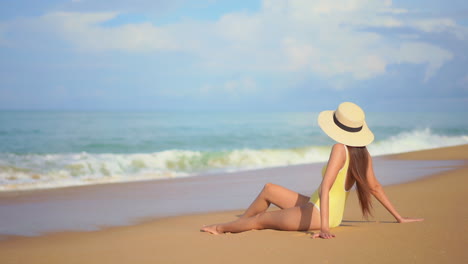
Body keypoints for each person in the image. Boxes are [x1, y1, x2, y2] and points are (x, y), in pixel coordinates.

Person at [200, 102, 424, 239]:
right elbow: (375, 187)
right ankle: (240, 225)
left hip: (319, 215)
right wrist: (399, 218)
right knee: (269, 189)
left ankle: (221, 228)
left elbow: (326, 188)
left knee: (261, 219)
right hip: (320, 208)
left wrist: (324, 227)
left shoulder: (339, 148)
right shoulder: (362, 153)